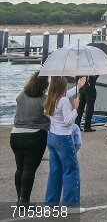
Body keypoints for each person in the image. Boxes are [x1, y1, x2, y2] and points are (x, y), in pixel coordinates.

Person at [44, 76, 85, 209]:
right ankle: (71, 206)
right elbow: (68, 121)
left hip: (52, 137)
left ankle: (50, 205)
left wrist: (78, 86)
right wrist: (75, 109)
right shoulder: (64, 101)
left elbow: (67, 94)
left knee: (55, 172)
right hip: (63, 138)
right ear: (62, 87)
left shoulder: (51, 98)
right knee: (71, 171)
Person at [10, 73, 48, 204]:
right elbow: (51, 114)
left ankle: (19, 198)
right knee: (29, 169)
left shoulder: (21, 95)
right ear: (44, 85)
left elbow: (19, 102)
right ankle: (25, 201)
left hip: (15, 135)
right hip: (34, 136)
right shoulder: (44, 99)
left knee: (20, 168)